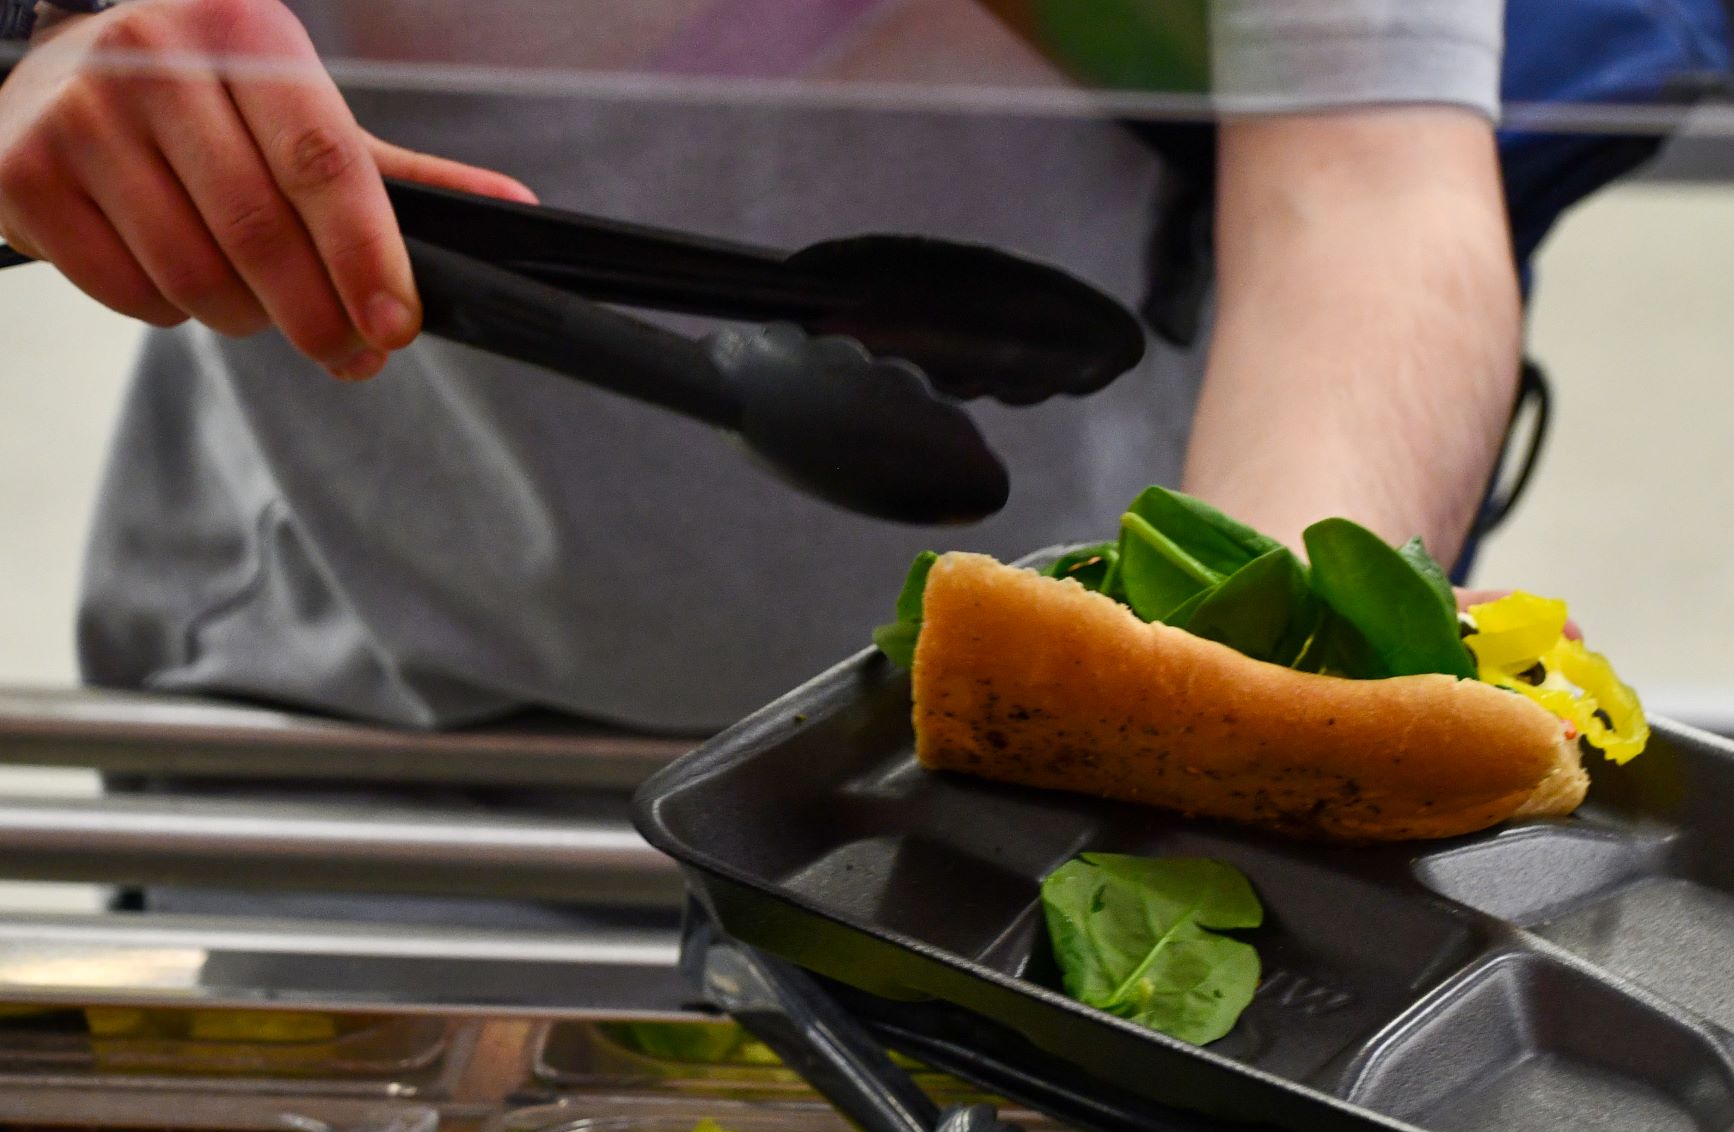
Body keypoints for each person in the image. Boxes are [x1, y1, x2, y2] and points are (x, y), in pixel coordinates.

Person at [0, 0, 1524, 738]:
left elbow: (1367, 187)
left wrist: (1237, 726)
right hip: (351, 756)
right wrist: (39, 49)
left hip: (1040, 803)